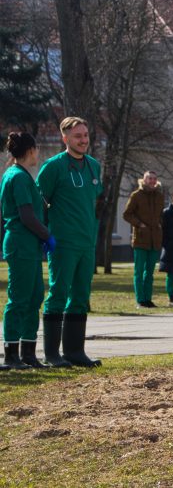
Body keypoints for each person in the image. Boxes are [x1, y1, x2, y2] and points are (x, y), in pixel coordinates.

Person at [37, 116, 103, 368]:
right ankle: (52, 354)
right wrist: (45, 234)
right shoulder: (53, 167)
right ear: (65, 138)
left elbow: (92, 200)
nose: (83, 140)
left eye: (85, 135)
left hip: (86, 243)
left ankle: (75, 351)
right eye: (78, 136)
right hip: (62, 242)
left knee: (80, 295)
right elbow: (38, 202)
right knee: (58, 293)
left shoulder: (94, 166)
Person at [1, 133, 54, 370]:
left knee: (34, 298)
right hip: (21, 243)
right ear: (30, 150)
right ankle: (11, 354)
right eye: (37, 149)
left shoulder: (23, 176)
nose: (38, 154)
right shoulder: (18, 177)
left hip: (29, 244)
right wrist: (46, 235)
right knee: (20, 298)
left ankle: (28, 353)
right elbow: (26, 216)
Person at [122, 171, 163, 308]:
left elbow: (160, 215)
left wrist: (160, 224)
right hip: (140, 239)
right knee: (139, 271)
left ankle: (148, 299)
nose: (152, 181)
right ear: (144, 180)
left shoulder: (159, 196)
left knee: (150, 273)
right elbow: (127, 214)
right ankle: (140, 300)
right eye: (149, 178)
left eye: (154, 178)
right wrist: (139, 225)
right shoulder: (136, 195)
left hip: (155, 240)